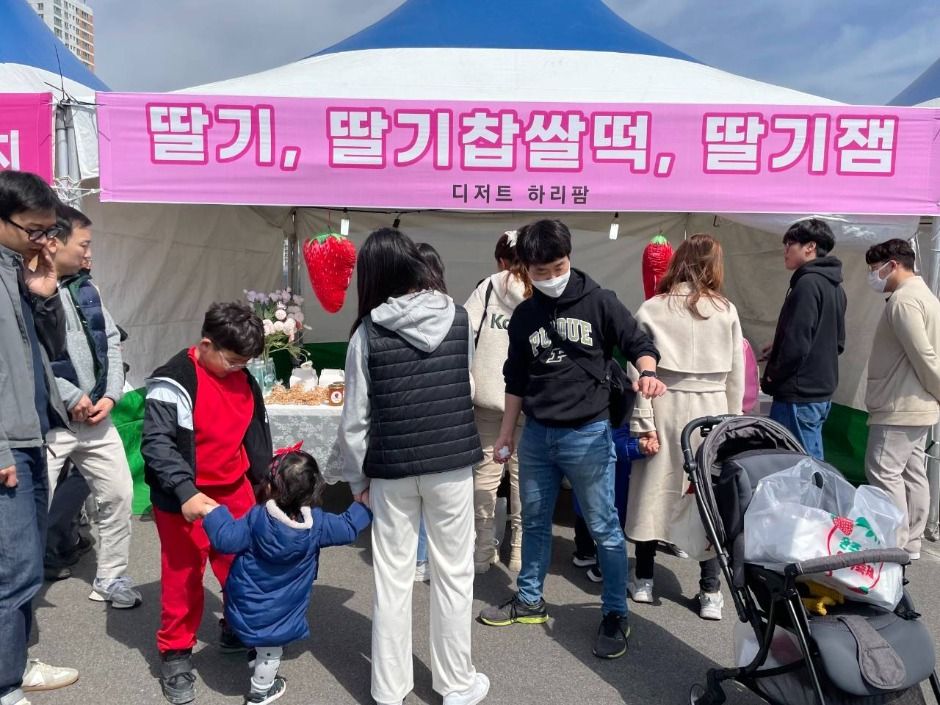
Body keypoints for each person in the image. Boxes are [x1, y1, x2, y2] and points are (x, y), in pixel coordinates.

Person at [478, 219, 666, 661]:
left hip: (588, 433)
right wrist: (506, 433)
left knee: (604, 528)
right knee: (536, 522)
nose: (550, 278)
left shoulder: (600, 301)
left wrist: (649, 372)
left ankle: (616, 613)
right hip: (537, 436)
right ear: (524, 269)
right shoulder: (525, 315)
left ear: (569, 259)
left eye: (557, 267)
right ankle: (528, 601)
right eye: (539, 272)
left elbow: (637, 340)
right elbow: (516, 379)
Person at [330, 228, 489, 705]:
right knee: (454, 573)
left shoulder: (369, 331)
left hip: (391, 468)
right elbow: (464, 385)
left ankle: (389, 688)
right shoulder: (459, 318)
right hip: (452, 462)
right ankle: (456, 684)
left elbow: (355, 417)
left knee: (393, 577)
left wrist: (357, 480)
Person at [141, 302, 273, 705]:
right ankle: (175, 652)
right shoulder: (173, 381)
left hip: (234, 488)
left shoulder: (243, 378)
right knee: (183, 575)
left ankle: (236, 626)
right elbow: (158, 445)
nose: (238, 368)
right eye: (232, 360)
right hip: (186, 494)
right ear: (205, 344)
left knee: (240, 566)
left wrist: (264, 482)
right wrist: (185, 492)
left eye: (245, 362)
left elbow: (255, 434)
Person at [625, 234, 744, 621]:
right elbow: (736, 378)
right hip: (711, 410)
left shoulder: (653, 307)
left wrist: (643, 422)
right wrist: (731, 424)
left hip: (664, 403)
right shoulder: (725, 310)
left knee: (652, 490)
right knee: (706, 498)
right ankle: (710, 591)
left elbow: (638, 371)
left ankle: (643, 579)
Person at [202, 447, 372, 705]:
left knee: (260, 634)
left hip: (245, 604)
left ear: (270, 487)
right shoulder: (317, 525)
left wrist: (215, 514)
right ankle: (261, 690)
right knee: (272, 648)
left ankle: (255, 661)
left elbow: (225, 540)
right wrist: (365, 504)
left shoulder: (256, 518)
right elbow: (348, 527)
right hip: (283, 612)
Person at [0, 171, 78, 705]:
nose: (44, 242)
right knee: (15, 567)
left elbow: (52, 350)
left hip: (31, 433)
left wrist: (45, 296)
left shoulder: (16, 269)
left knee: (22, 565)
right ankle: (5, 684)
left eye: (49, 232)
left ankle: (15, 664)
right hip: (6, 441)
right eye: (34, 230)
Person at [43, 205, 140, 608]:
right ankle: (15, 592)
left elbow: (112, 342)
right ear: (54, 242)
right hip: (50, 423)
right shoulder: (28, 290)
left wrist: (110, 396)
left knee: (119, 494)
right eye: (83, 245)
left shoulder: (88, 288)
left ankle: (111, 577)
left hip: (96, 419)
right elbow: (31, 358)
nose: (89, 254)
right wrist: (70, 395)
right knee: (27, 511)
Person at [863, 239, 940, 561]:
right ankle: (912, 541)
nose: (873, 276)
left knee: (883, 471)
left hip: (900, 404)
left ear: (893, 264)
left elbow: (923, 355)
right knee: (912, 472)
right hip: (917, 404)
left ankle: (894, 542)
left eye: (874, 269)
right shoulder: (926, 297)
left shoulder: (903, 302)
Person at [464, 230, 529, 573]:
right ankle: (518, 550)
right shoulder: (543, 286)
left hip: (490, 395)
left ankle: (482, 549)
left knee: (485, 475)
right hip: (531, 400)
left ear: (502, 260)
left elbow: (461, 331)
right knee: (523, 477)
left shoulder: (489, 287)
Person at [761, 219, 846, 459]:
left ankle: (813, 499)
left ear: (810, 247)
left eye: (790, 243)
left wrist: (770, 376)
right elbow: (837, 342)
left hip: (798, 395)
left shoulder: (807, 284)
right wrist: (778, 346)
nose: (785, 250)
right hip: (820, 392)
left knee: (798, 467)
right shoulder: (835, 287)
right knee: (809, 461)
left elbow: (797, 345)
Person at [573, 430, 658, 582]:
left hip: (589, 453)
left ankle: (585, 553)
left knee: (588, 506)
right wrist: (637, 446)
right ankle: (604, 566)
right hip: (621, 462)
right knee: (612, 515)